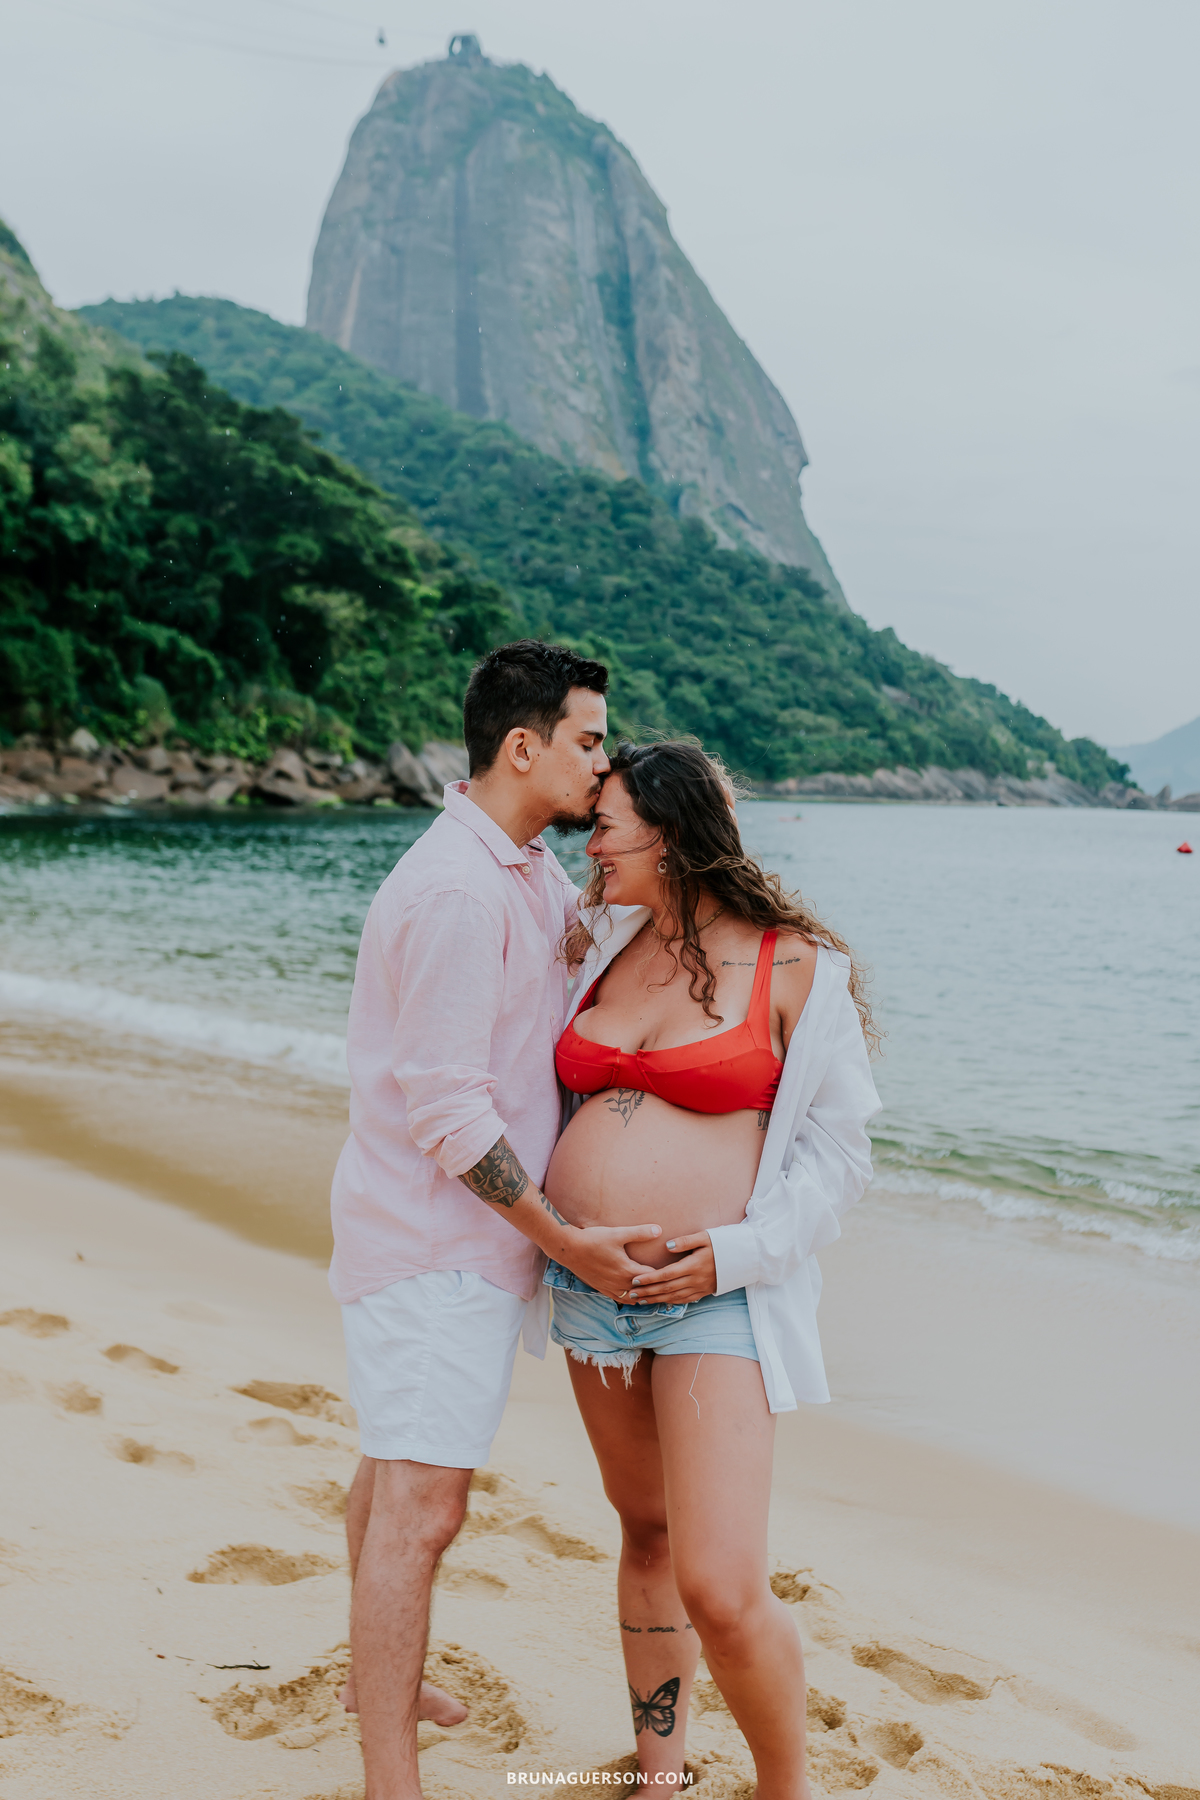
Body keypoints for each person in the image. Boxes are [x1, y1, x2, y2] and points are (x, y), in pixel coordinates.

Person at [329, 641, 664, 1800]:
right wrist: (564, 1239)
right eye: (586, 740)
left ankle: (385, 1681)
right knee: (424, 1509)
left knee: (391, 1474)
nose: (602, 761)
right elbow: (449, 1110)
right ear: (521, 747)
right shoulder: (460, 888)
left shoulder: (512, 865)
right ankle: (391, 1775)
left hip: (422, 1237)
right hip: (434, 1247)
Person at [547, 740, 881, 1800]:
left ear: (672, 831)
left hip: (719, 1300)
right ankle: (664, 1776)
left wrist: (731, 1256)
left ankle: (787, 1788)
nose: (588, 843)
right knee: (644, 1533)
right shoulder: (594, 940)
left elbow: (839, 1158)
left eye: (606, 824)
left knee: (724, 1586)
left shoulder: (796, 965)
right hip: (587, 1294)